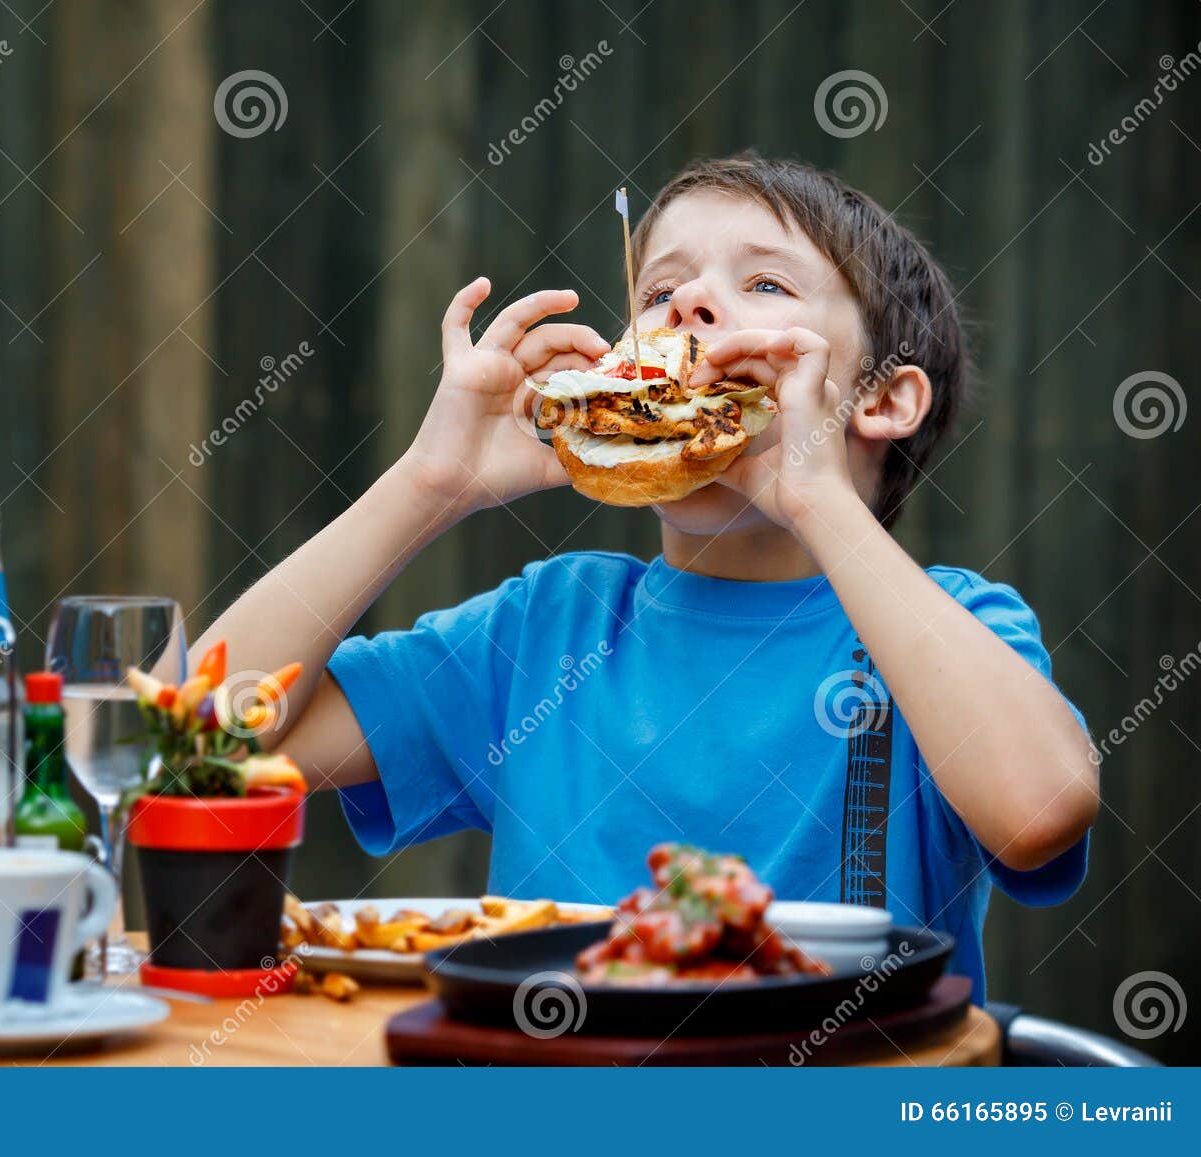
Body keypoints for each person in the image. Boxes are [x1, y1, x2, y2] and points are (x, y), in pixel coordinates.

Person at [196, 154, 1098, 1001]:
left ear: (882, 400)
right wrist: (429, 485)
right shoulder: (546, 628)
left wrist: (816, 495)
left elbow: (1041, 809)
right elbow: (201, 739)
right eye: (660, 289)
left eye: (765, 284)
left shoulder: (951, 627)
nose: (690, 304)